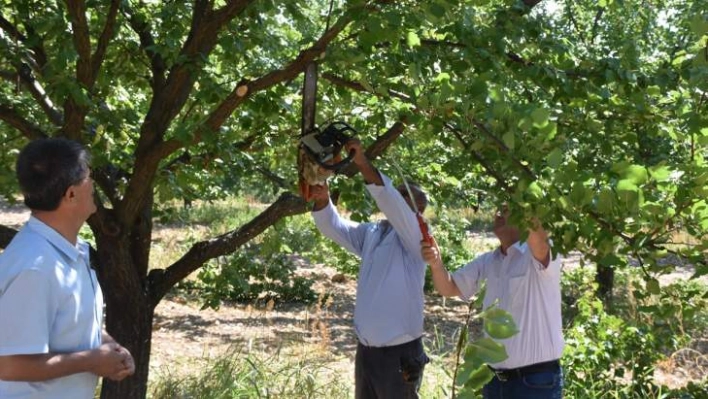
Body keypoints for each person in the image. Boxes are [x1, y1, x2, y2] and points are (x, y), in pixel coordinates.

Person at [0, 138, 135, 398]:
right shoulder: (35, 267)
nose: (93, 183)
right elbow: (10, 365)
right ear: (71, 194)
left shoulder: (68, 250)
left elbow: (67, 323)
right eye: (88, 176)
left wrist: (109, 347)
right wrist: (91, 361)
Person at [309, 138, 430, 399]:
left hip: (400, 355)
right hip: (367, 352)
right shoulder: (376, 231)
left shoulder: (418, 236)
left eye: (402, 199)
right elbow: (335, 228)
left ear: (418, 209)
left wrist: (362, 162)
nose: (394, 202)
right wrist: (322, 200)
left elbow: (391, 202)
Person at [421, 206, 564, 399]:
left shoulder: (539, 255)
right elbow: (449, 287)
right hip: (494, 381)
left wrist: (523, 204)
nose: (499, 214)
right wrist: (436, 264)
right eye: (499, 209)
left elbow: (541, 245)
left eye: (507, 209)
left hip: (535, 383)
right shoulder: (489, 261)